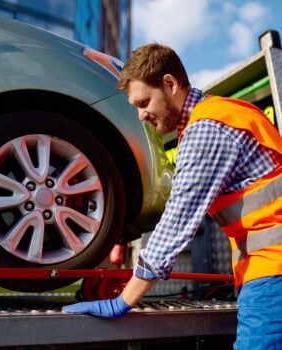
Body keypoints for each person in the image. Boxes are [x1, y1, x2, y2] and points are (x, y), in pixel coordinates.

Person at [62, 44, 282, 349]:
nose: (141, 116)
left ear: (170, 83)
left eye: (143, 102)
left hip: (275, 268)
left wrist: (124, 301)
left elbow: (177, 221)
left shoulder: (207, 130)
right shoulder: (224, 112)